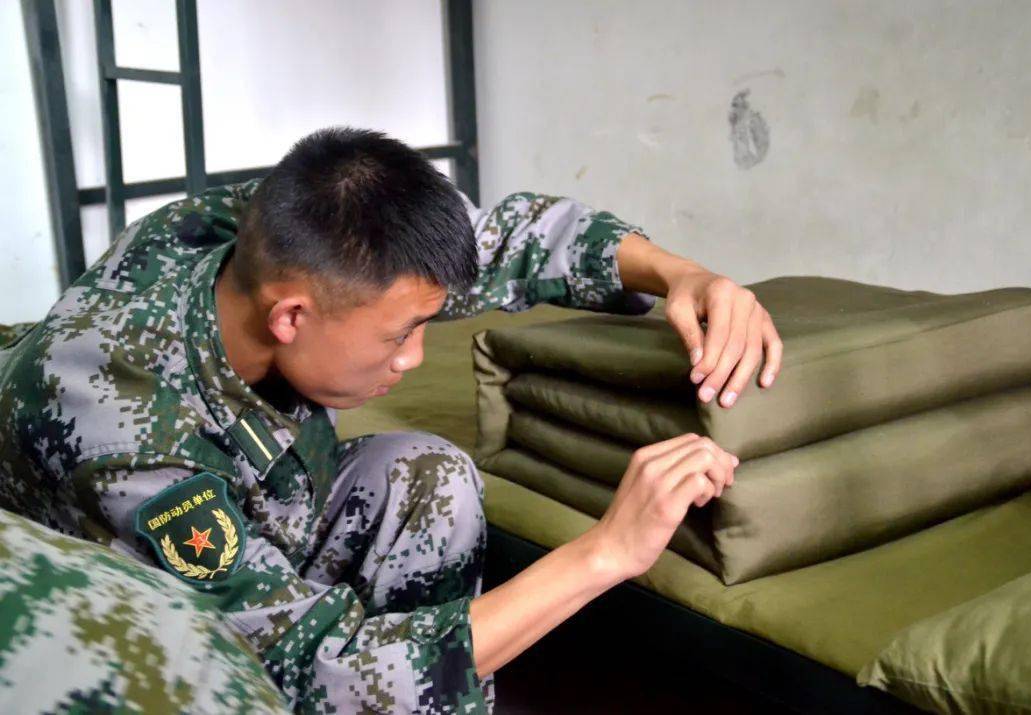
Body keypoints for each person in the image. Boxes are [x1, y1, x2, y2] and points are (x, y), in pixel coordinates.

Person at [0, 127, 782, 713]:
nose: (413, 358)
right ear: (291, 317)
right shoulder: (121, 427)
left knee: (425, 475)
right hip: (116, 600)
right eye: (397, 335)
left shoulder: (280, 229)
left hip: (258, 493)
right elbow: (310, 667)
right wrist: (606, 552)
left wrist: (686, 275)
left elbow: (499, 244)